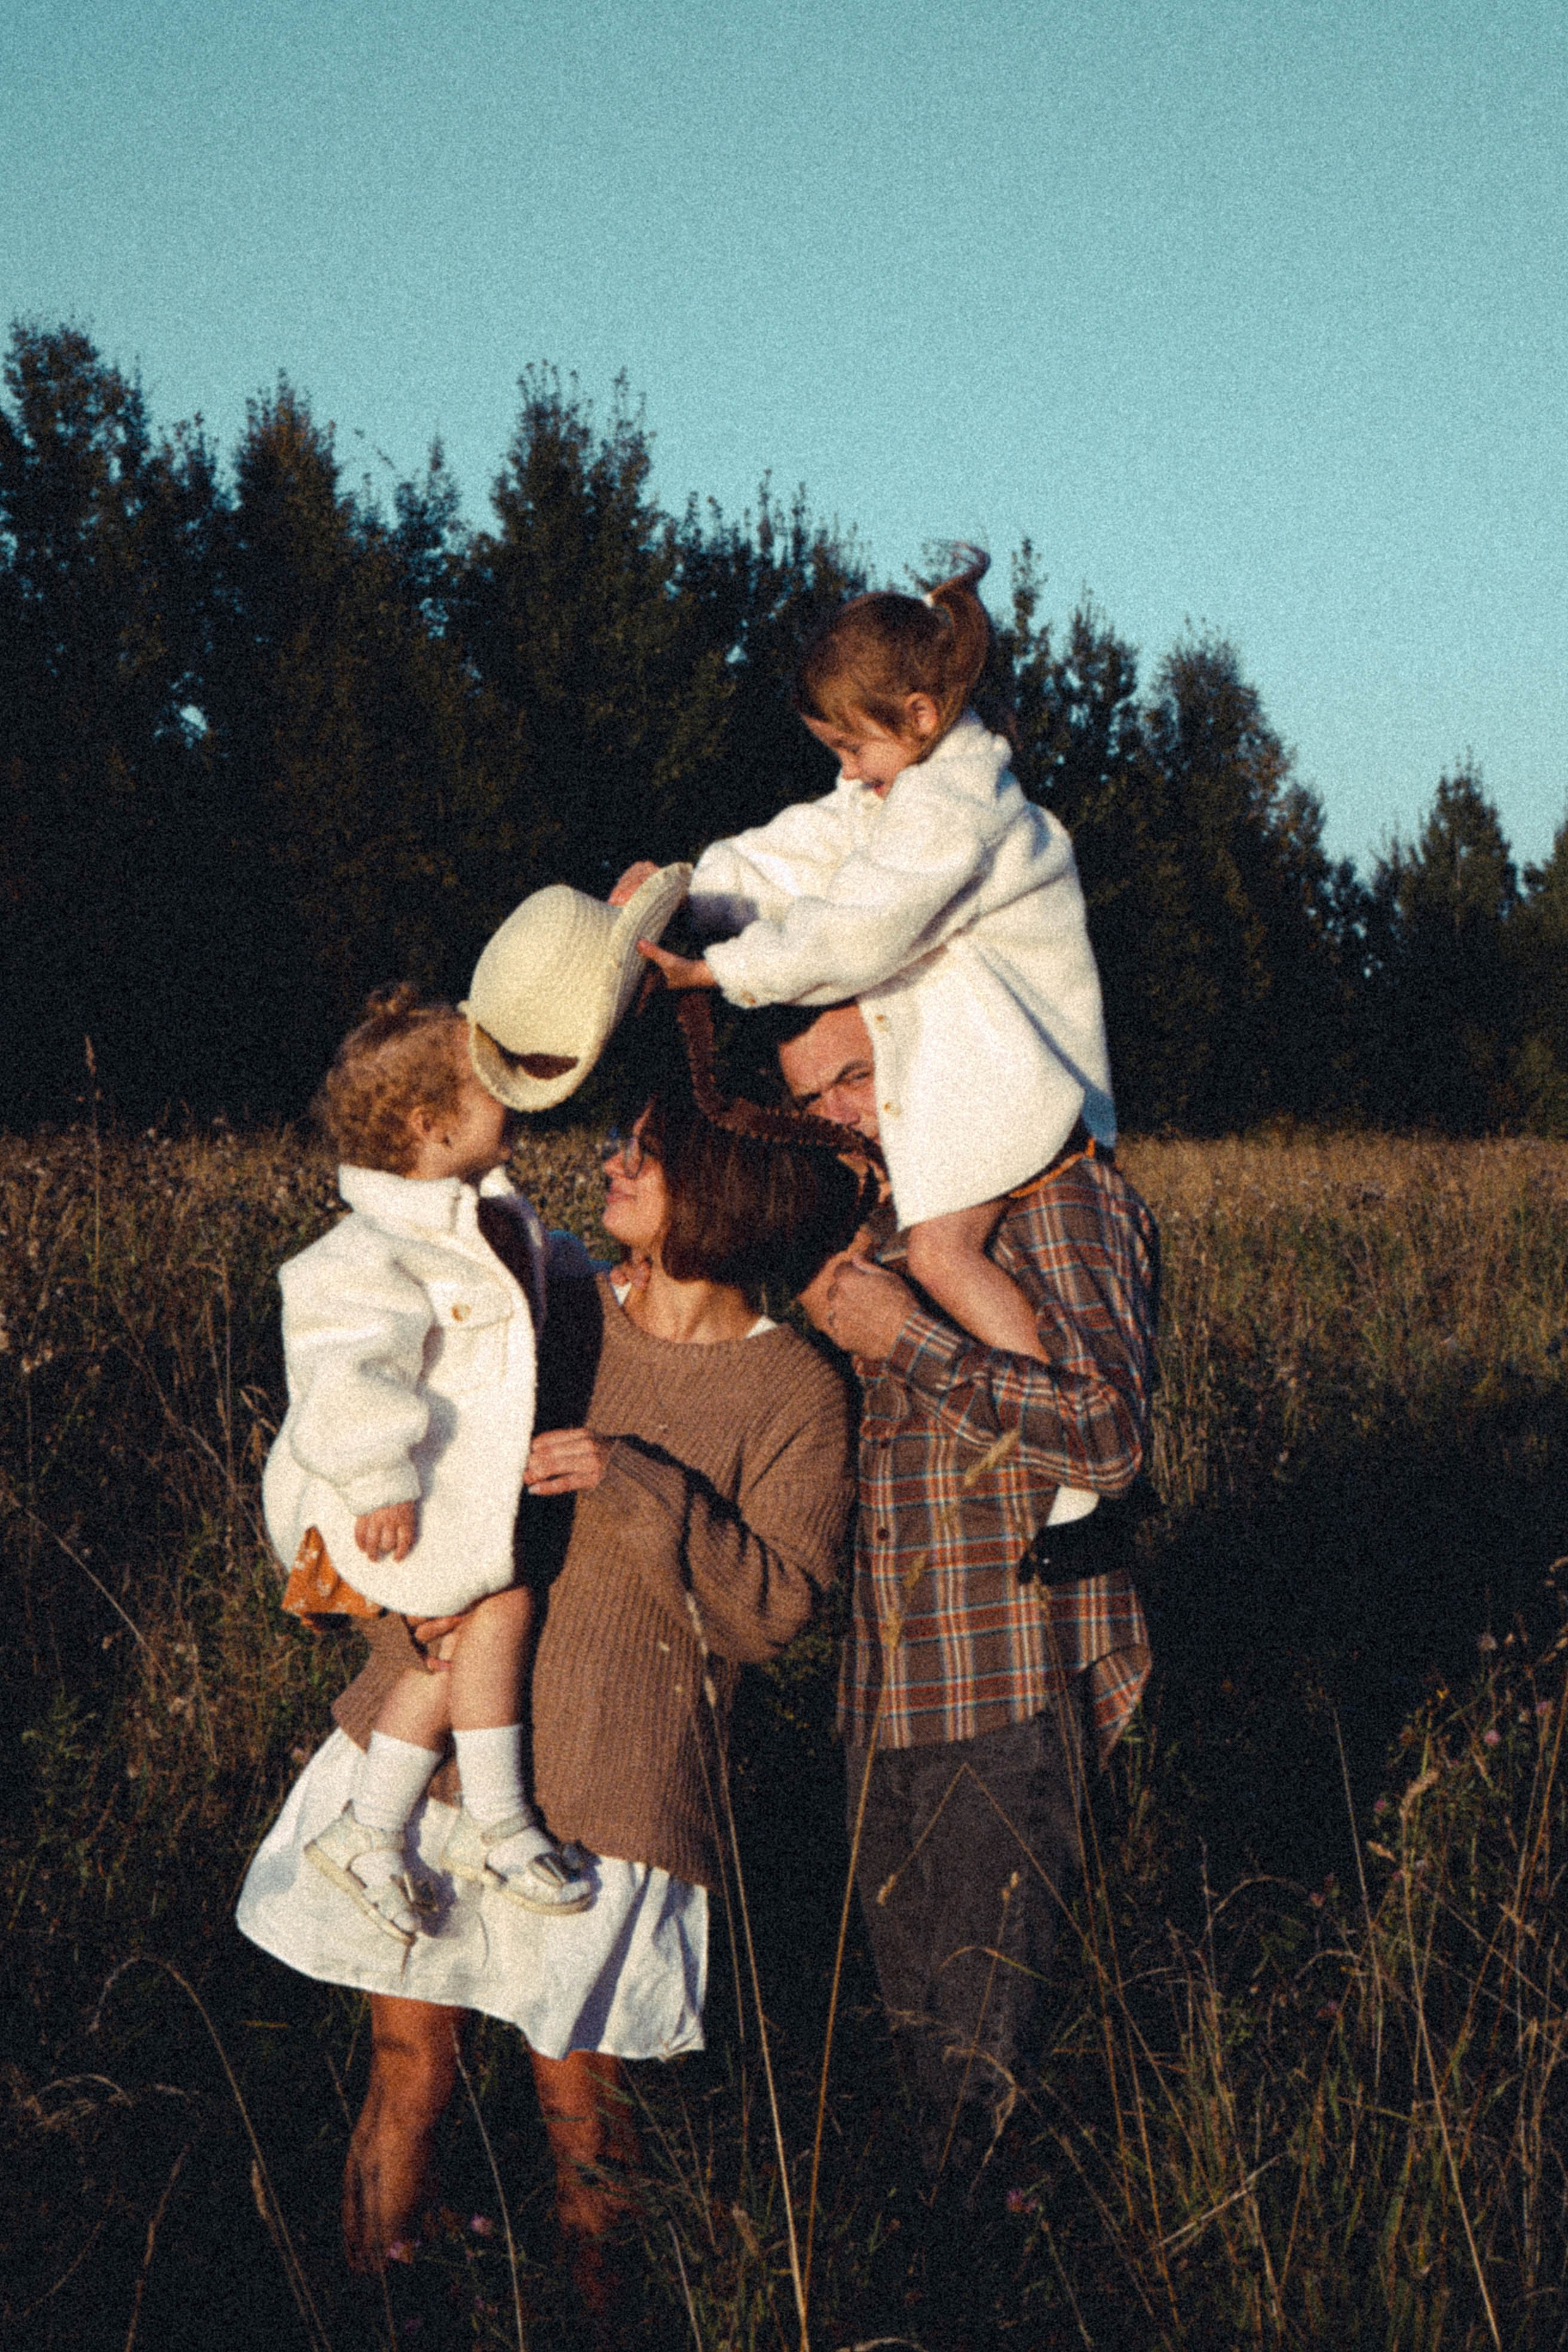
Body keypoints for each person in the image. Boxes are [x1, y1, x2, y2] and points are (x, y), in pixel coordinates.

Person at [238, 1005, 861, 2325]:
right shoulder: (549, 1307)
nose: (611, 1165)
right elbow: (384, 1450)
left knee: (586, 2123)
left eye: (645, 1152)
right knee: (408, 2075)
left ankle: (593, 2326)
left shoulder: (797, 1390)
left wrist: (639, 1484)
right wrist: (394, 1621)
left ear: (723, 1189)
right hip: (430, 1770)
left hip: (614, 1798)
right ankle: (372, 2322)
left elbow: (773, 1614)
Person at [773, 999, 1158, 2199]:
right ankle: (948, 2256)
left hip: (1004, 1687)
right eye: (809, 1099)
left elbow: (1109, 1437)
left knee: (992, 2080)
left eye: (853, 1076)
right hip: (884, 1698)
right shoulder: (882, 1221)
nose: (838, 1116)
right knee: (921, 2059)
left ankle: (998, 2267)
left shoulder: (1054, 1199)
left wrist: (906, 1336)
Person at [627, 548, 1115, 1380]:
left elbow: (857, 932)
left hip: (1009, 1080)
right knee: (906, 1249)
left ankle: (1051, 1400)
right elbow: (800, 853)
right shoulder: (904, 792)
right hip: (976, 1078)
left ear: (920, 715)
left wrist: (718, 974)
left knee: (940, 1256)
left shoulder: (955, 811)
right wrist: (685, 891)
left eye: (853, 748)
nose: (848, 772)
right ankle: (1029, 1395)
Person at [262, 984, 590, 1940]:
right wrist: (378, 1480)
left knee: (459, 1642)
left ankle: (370, 1829)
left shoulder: (481, 1214)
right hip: (364, 1502)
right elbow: (343, 1370)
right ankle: (497, 1819)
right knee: (494, 1611)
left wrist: (588, 1278)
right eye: (491, 1085)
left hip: (433, 1498)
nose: (514, 1096)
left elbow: (531, 1282)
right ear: (427, 1123)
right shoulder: (370, 1247)